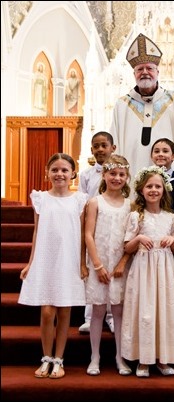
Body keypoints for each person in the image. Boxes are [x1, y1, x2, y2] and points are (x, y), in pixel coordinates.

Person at [18, 153, 88, 379]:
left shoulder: (79, 200)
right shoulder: (40, 198)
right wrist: (30, 263)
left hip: (68, 258)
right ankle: (46, 358)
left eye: (64, 170)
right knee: (47, 311)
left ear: (72, 174)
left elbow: (81, 234)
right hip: (47, 258)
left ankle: (59, 359)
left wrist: (82, 263)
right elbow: (37, 231)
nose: (60, 174)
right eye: (55, 170)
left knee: (65, 309)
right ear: (47, 173)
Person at [121, 165, 174, 378]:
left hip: (164, 271)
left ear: (164, 190)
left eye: (157, 186)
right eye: (149, 186)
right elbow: (126, 247)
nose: (153, 190)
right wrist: (138, 239)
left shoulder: (172, 218)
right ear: (141, 190)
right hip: (143, 270)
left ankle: (162, 358)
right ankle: (143, 359)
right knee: (145, 311)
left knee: (163, 310)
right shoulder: (135, 216)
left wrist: (173, 241)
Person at [110, 32, 174, 181]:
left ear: (158, 72)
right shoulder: (122, 105)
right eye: (140, 69)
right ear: (134, 73)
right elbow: (114, 142)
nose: (145, 72)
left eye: (150, 68)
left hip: (168, 173)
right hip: (132, 171)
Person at [85, 154, 132, 376]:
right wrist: (97, 264)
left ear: (127, 177)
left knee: (120, 311)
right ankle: (95, 356)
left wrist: (122, 262)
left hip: (120, 266)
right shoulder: (95, 202)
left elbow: (132, 237)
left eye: (121, 174)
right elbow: (88, 234)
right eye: (112, 173)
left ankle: (120, 357)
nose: (117, 178)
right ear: (104, 175)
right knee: (98, 311)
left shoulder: (130, 205)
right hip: (100, 263)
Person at [78, 131, 116, 334]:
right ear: (91, 150)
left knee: (109, 271)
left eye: (104, 145)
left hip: (112, 226)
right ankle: (90, 316)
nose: (100, 149)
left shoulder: (118, 173)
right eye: (96, 146)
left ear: (113, 148)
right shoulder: (86, 175)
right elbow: (82, 202)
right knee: (93, 272)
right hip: (92, 227)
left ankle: (110, 316)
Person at [150, 137, 174, 274]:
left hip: (172, 229)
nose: (160, 154)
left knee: (171, 267)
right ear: (151, 156)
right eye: (157, 151)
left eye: (165, 151)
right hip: (150, 227)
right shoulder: (145, 178)